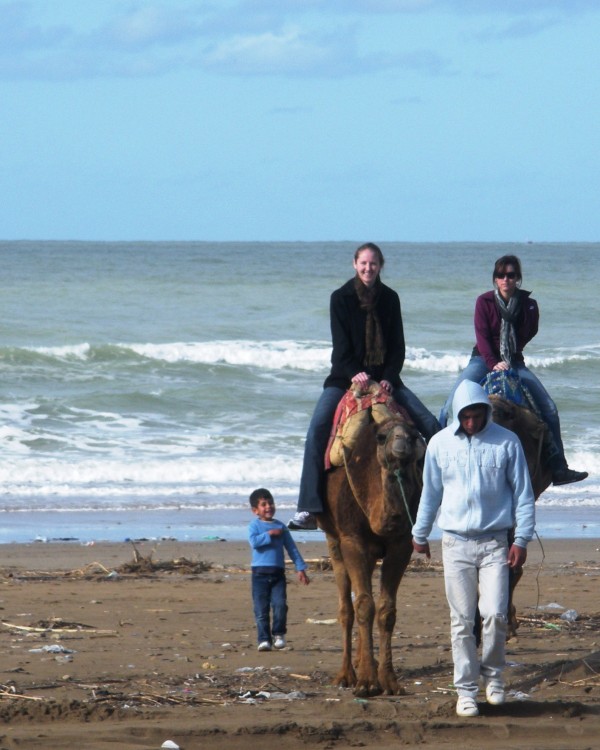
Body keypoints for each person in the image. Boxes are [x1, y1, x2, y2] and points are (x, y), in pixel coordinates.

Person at [288, 242, 440, 530]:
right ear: (354, 265)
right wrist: (355, 373)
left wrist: (388, 377)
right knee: (317, 430)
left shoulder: (390, 299)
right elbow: (341, 349)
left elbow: (398, 347)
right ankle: (308, 508)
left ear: (380, 265)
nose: (368, 268)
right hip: (345, 379)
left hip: (386, 379)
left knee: (430, 425)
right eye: (363, 263)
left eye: (373, 264)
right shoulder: (340, 298)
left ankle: (445, 495)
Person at [412, 379, 536, 718]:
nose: (471, 422)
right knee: (462, 620)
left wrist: (521, 539)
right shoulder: (439, 444)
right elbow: (431, 494)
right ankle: (466, 690)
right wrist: (420, 533)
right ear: (457, 414)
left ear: (485, 411)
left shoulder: (507, 442)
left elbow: (523, 494)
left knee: (495, 614)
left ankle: (494, 679)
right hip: (455, 544)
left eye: (477, 415)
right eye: (465, 416)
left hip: (496, 542)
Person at [439, 254, 587, 487]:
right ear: (495, 279)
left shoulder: (529, 305)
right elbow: (483, 336)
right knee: (450, 403)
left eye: (511, 275)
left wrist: (510, 353)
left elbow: (528, 333)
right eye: (501, 275)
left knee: (548, 407)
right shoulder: (484, 302)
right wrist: (492, 362)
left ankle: (559, 467)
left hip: (514, 361)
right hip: (482, 358)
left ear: (518, 278)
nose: (506, 279)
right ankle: (436, 459)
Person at [248, 488, 310, 652]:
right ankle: (263, 639)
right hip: (259, 574)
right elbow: (254, 542)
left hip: (277, 574)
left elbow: (291, 548)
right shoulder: (254, 525)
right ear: (255, 510)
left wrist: (300, 568)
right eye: (264, 504)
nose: (268, 507)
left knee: (280, 605)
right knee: (261, 609)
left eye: (271, 503)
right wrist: (269, 534)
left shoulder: (281, 526)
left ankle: (279, 634)